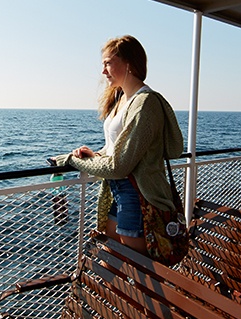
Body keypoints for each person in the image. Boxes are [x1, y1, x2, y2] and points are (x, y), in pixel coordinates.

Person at [51, 35, 183, 254]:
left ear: (129, 63)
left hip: (139, 195)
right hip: (119, 191)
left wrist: (73, 161)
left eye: (107, 63)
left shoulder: (145, 104)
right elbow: (116, 149)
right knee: (112, 256)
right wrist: (94, 154)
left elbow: (118, 166)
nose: (103, 71)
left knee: (139, 269)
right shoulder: (123, 99)